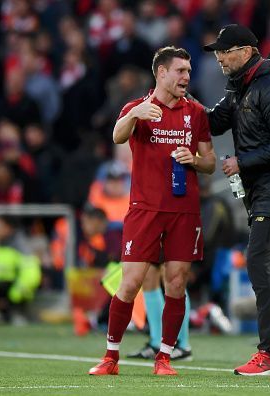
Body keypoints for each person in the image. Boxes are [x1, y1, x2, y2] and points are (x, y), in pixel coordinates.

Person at [87, 47, 216, 377]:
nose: (186, 77)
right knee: (129, 283)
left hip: (183, 211)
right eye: (180, 71)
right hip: (144, 210)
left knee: (177, 282)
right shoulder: (138, 108)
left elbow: (210, 161)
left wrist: (195, 161)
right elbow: (117, 137)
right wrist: (133, 116)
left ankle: (165, 358)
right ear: (161, 73)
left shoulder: (197, 112)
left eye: (188, 71)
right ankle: (110, 357)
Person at [204, 24, 270, 376]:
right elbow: (213, 123)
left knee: (259, 263)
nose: (219, 56)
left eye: (225, 50)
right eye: (217, 51)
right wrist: (178, 104)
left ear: (246, 51)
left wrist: (241, 162)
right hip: (264, 188)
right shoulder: (240, 86)